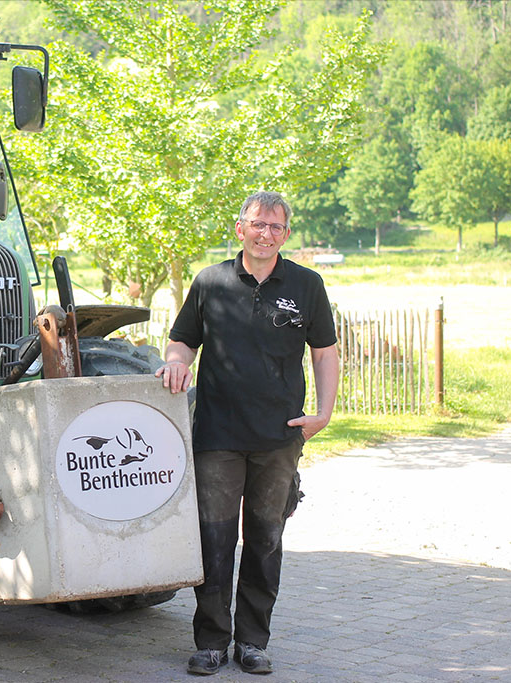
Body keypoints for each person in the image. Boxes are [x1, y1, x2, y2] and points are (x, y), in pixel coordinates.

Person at [156, 191, 339, 676]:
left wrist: (323, 413)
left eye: (276, 227)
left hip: (280, 436)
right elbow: (181, 342)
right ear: (241, 228)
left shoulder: (306, 284)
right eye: (258, 224)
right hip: (217, 433)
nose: (266, 234)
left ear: (286, 234)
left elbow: (324, 352)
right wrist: (175, 366)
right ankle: (212, 642)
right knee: (214, 541)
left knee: (265, 539)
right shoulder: (210, 282)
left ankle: (253, 641)